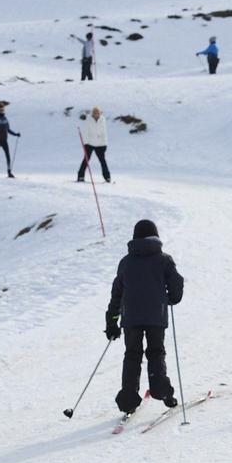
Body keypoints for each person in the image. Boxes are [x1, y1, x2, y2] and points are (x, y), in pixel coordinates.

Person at [105, 220, 184, 415]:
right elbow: (177, 283)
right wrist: (172, 298)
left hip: (131, 318)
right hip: (156, 315)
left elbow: (117, 294)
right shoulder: (164, 260)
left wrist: (112, 321)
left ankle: (128, 401)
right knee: (156, 352)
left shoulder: (125, 262)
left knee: (132, 355)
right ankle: (162, 391)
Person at [77, 106, 111, 183]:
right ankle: (80, 176)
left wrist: (105, 144)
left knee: (103, 161)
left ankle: (107, 177)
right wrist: (85, 144)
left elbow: (104, 133)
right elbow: (86, 132)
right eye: (95, 113)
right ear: (92, 113)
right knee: (86, 160)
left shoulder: (102, 120)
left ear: (100, 113)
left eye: (98, 113)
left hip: (100, 144)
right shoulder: (88, 120)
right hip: (90, 143)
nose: (96, 114)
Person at [0, 100, 19, 177]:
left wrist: (16, 134)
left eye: (3, 109)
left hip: (4, 140)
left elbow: (8, 130)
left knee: (8, 156)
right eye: (1, 110)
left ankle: (9, 172)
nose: (2, 111)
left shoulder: (5, 119)